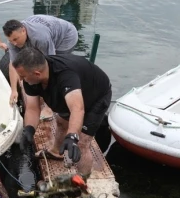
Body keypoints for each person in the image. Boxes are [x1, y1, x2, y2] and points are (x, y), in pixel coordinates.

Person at [13, 48, 112, 177]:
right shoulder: (31, 78)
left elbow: (77, 109)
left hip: (96, 97)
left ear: (37, 74)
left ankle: (82, 181)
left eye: (23, 76)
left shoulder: (65, 75)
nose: (21, 79)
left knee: (82, 143)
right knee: (61, 123)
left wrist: (72, 137)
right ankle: (56, 153)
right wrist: (29, 130)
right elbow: (32, 108)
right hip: (70, 95)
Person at [2, 15, 78, 105]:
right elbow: (13, 64)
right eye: (11, 41)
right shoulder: (13, 41)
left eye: (15, 39)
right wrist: (14, 90)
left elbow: (51, 64)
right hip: (45, 28)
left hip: (66, 36)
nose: (14, 43)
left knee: (58, 65)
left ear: (23, 30)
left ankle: (54, 99)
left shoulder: (40, 38)